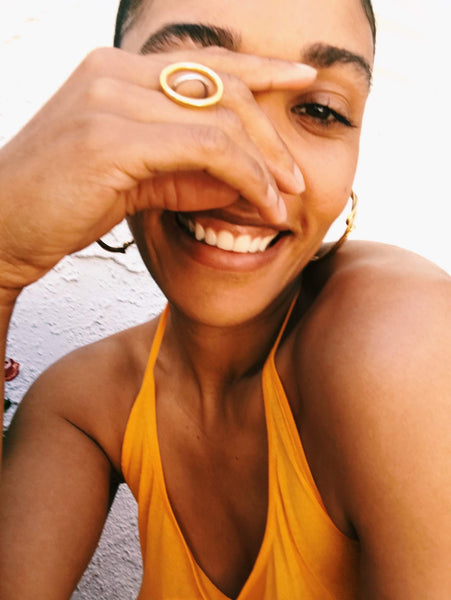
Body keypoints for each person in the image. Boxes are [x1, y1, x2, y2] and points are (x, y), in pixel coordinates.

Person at [0, 0, 450, 598]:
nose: (251, 171)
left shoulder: (402, 338)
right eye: (193, 90)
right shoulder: (82, 404)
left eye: (320, 110)